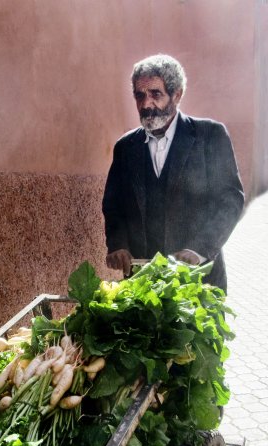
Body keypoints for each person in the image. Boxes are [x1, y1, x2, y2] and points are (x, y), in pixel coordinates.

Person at [102, 54, 244, 292]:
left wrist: (198, 250)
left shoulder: (210, 136)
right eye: (140, 95)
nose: (146, 104)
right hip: (143, 283)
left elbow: (230, 200)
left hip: (200, 279)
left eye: (156, 94)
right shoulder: (125, 148)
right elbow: (113, 206)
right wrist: (118, 244)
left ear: (176, 95)